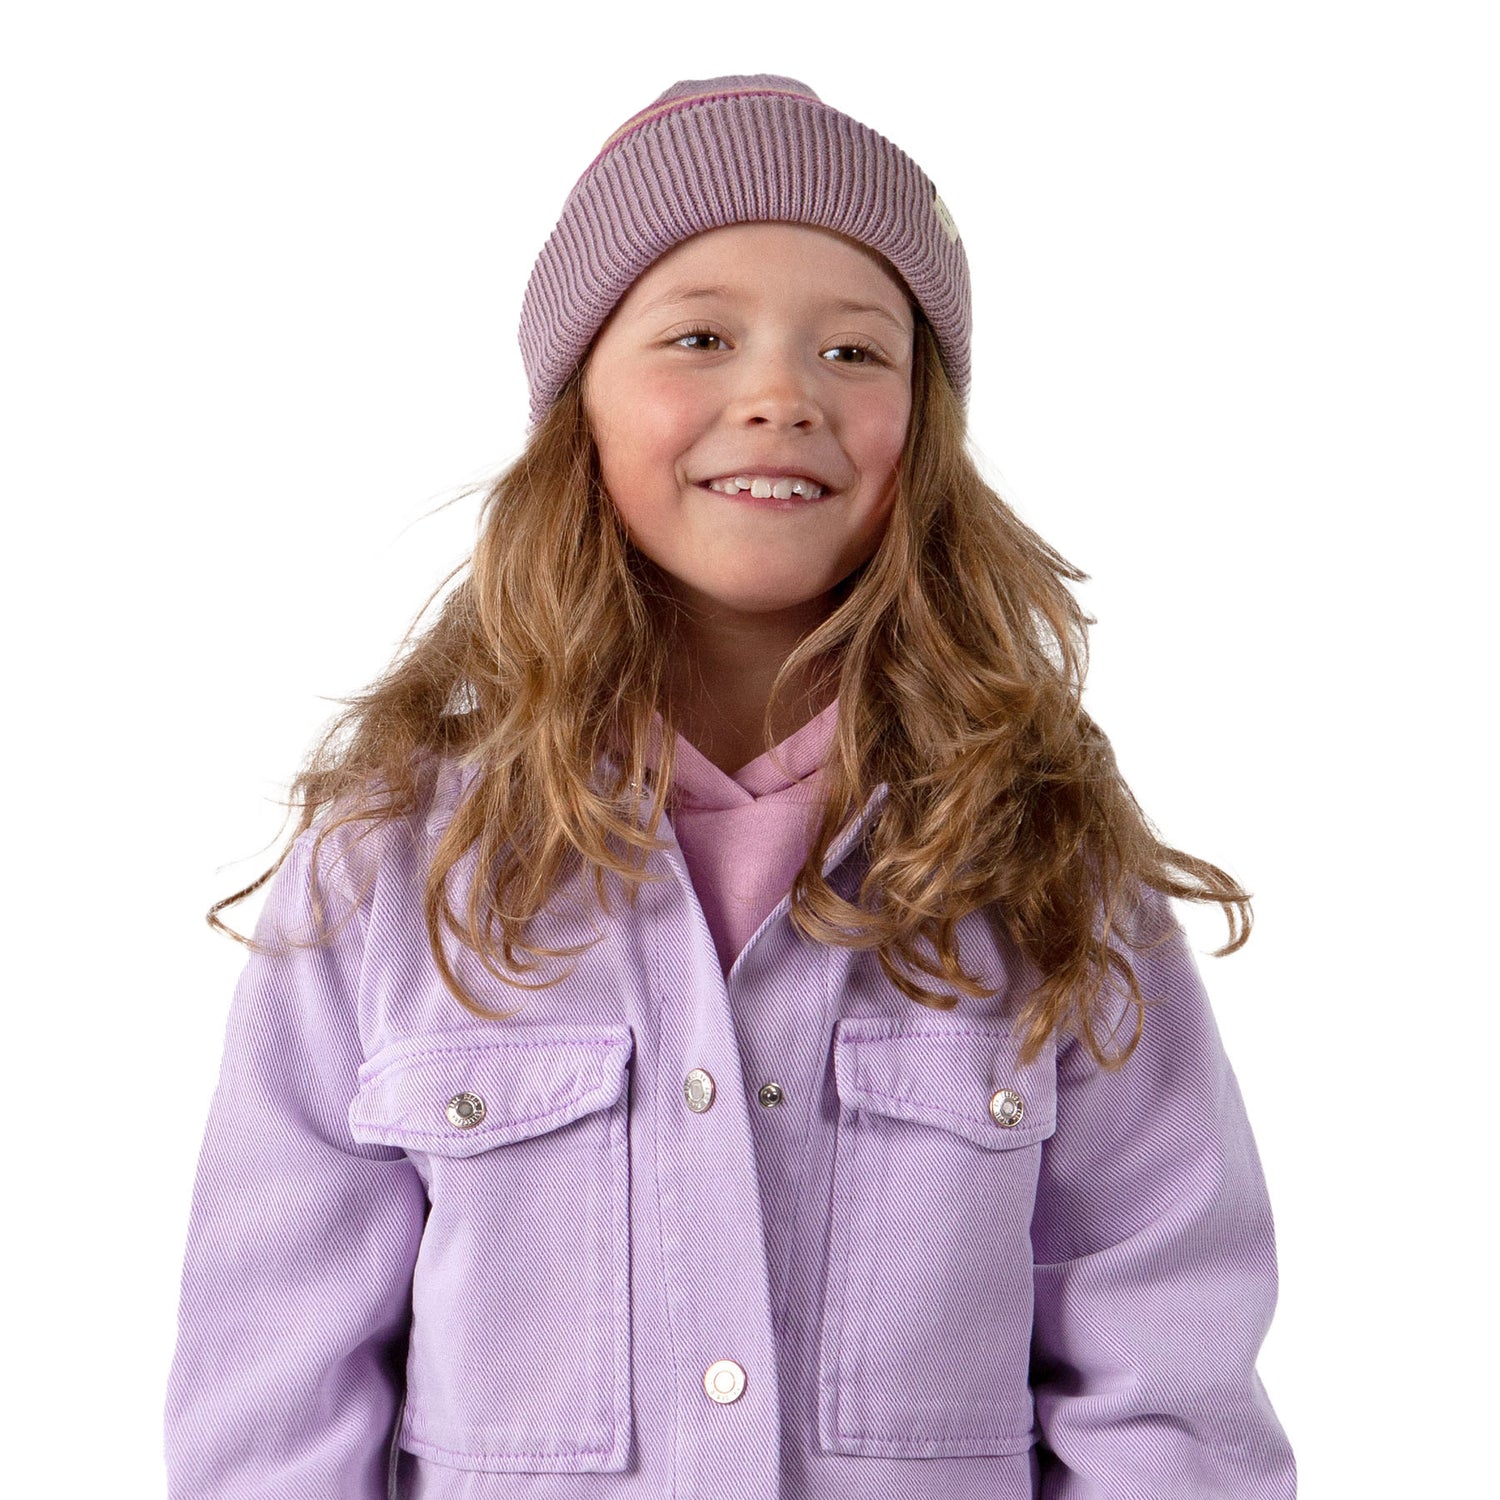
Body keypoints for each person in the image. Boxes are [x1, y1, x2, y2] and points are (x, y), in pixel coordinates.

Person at [163, 74, 1296, 1499]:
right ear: (578, 400)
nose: (780, 395)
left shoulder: (1045, 854)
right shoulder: (390, 868)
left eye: (855, 350)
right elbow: (272, 1394)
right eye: (700, 336)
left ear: (926, 428)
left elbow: (1163, 1366)